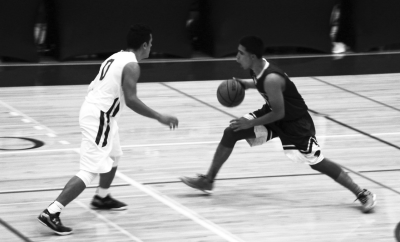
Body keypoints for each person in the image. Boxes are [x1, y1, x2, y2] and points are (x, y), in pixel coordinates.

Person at [180, 35, 376, 213]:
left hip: (295, 124)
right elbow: (265, 94)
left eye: (241, 54)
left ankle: (362, 193)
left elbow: (279, 112)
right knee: (231, 132)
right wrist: (245, 85)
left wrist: (250, 123)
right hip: (275, 117)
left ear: (253, 56)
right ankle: (208, 180)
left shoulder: (271, 78)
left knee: (318, 163)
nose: (237, 57)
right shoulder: (256, 69)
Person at [38, 23, 179, 235]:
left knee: (114, 156)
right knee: (90, 170)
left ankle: (101, 197)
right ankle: (52, 211)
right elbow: (131, 100)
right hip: (100, 117)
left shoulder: (116, 57)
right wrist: (159, 116)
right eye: (151, 43)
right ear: (144, 45)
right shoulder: (132, 65)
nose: (151, 47)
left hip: (101, 114)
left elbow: (95, 85)